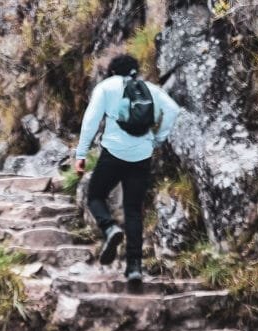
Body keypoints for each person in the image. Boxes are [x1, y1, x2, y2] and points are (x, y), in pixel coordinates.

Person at [75, 53, 181, 284]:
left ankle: (109, 228)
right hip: (142, 156)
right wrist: (158, 139)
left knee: (95, 196)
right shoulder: (149, 88)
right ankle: (134, 268)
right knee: (133, 210)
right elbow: (172, 110)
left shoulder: (106, 87)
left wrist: (81, 154)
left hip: (112, 153)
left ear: (113, 70)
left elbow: (91, 120)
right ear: (135, 70)